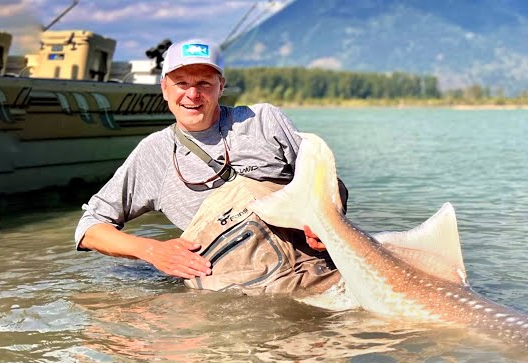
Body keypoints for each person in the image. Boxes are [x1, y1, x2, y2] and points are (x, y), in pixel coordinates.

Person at [75, 39, 345, 297]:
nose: (192, 94)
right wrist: (152, 250)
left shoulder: (263, 120)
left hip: (320, 275)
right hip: (236, 297)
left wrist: (325, 220)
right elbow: (90, 228)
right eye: (181, 83)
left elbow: (328, 184)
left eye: (204, 83)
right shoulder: (153, 153)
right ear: (164, 88)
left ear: (221, 86)